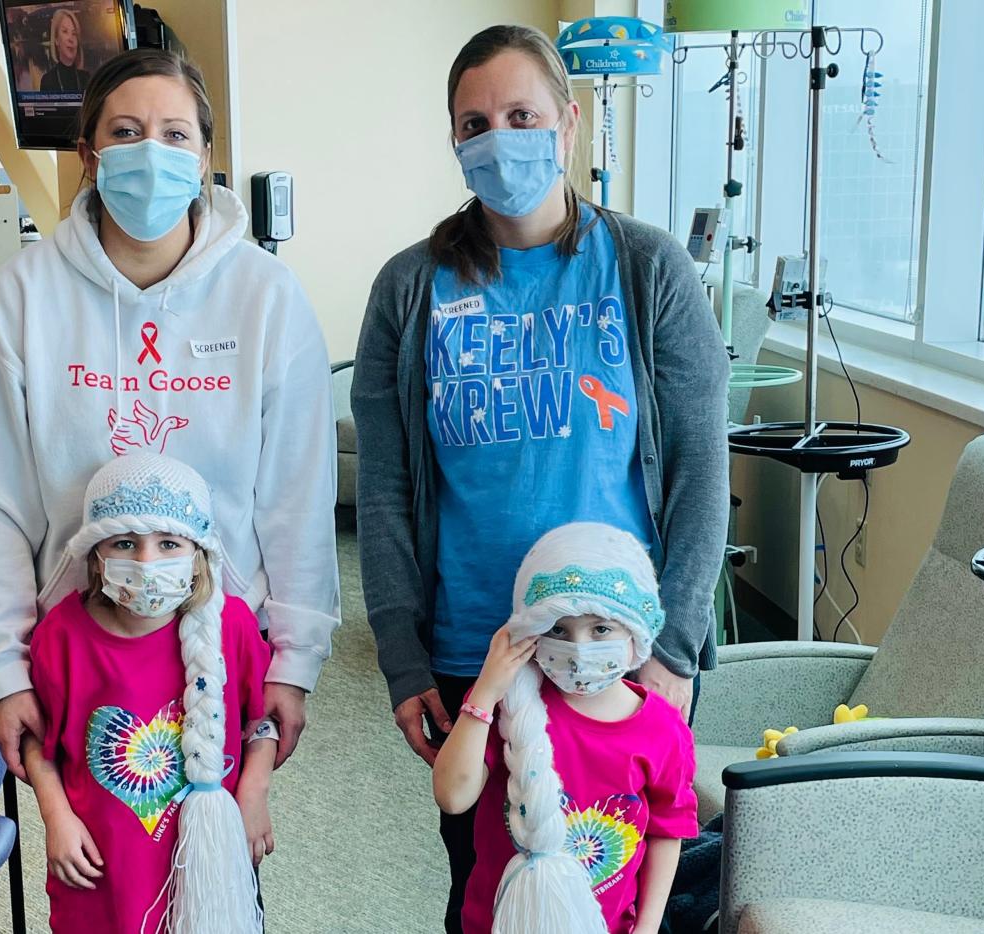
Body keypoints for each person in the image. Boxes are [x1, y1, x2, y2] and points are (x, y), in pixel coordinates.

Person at [351, 23, 727, 932]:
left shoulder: (646, 271)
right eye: (475, 122)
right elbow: (389, 493)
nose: (500, 138)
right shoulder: (411, 289)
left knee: (627, 892)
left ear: (568, 122)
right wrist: (402, 655)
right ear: (455, 141)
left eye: (521, 114)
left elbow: (701, 469)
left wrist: (675, 642)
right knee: (489, 888)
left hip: (624, 652)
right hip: (478, 653)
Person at [0, 49, 339, 787]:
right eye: (125, 132)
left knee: (220, 864)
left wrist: (296, 659)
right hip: (80, 644)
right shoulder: (24, 296)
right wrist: (3, 666)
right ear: (88, 155)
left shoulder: (267, 297)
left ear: (205, 157)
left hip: (224, 639)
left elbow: (296, 495)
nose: (150, 152)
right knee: (101, 873)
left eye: (175, 134)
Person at [24, 453, 273, 932]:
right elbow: (40, 741)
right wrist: (56, 818)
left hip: (205, 871)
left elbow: (258, 723)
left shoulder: (233, 625)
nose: (146, 561)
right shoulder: (63, 635)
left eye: (168, 543)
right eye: (124, 542)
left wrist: (255, 792)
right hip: (102, 870)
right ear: (96, 554)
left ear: (198, 553)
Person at [433, 523, 698, 934]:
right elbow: (452, 796)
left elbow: (668, 830)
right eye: (558, 630)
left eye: (601, 629)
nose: (579, 650)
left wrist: (647, 927)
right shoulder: (507, 704)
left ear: (636, 632)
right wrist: (485, 691)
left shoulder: (662, 728)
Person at [39, 8, 91, 93]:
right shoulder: (48, 81)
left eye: (74, 34)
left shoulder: (86, 78)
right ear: (56, 39)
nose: (71, 39)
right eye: (65, 31)